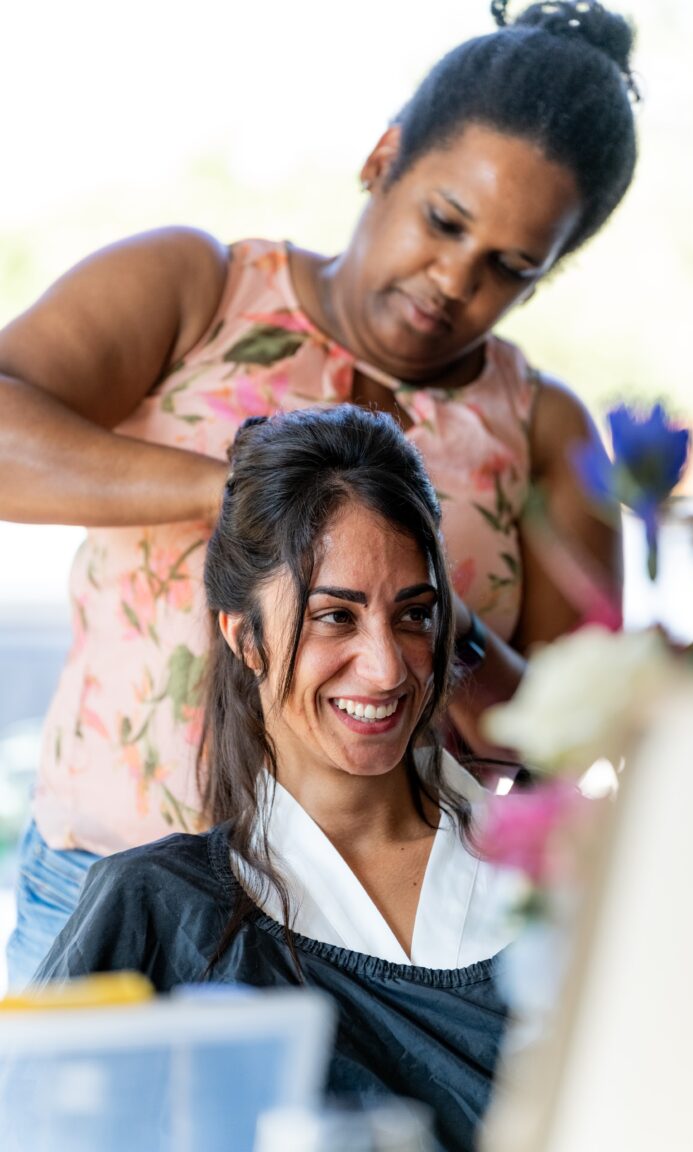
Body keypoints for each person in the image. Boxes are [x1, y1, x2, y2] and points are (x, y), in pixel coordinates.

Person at [1, 0, 636, 986]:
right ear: (383, 159)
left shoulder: (542, 429)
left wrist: (426, 616)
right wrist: (252, 502)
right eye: (444, 220)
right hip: (99, 885)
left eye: (510, 267)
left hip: (366, 938)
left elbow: (571, 733)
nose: (452, 280)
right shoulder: (198, 290)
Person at [36, 405, 518, 1152]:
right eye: (336, 618)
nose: (387, 667)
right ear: (245, 636)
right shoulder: (159, 914)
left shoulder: (552, 873)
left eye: (415, 616)